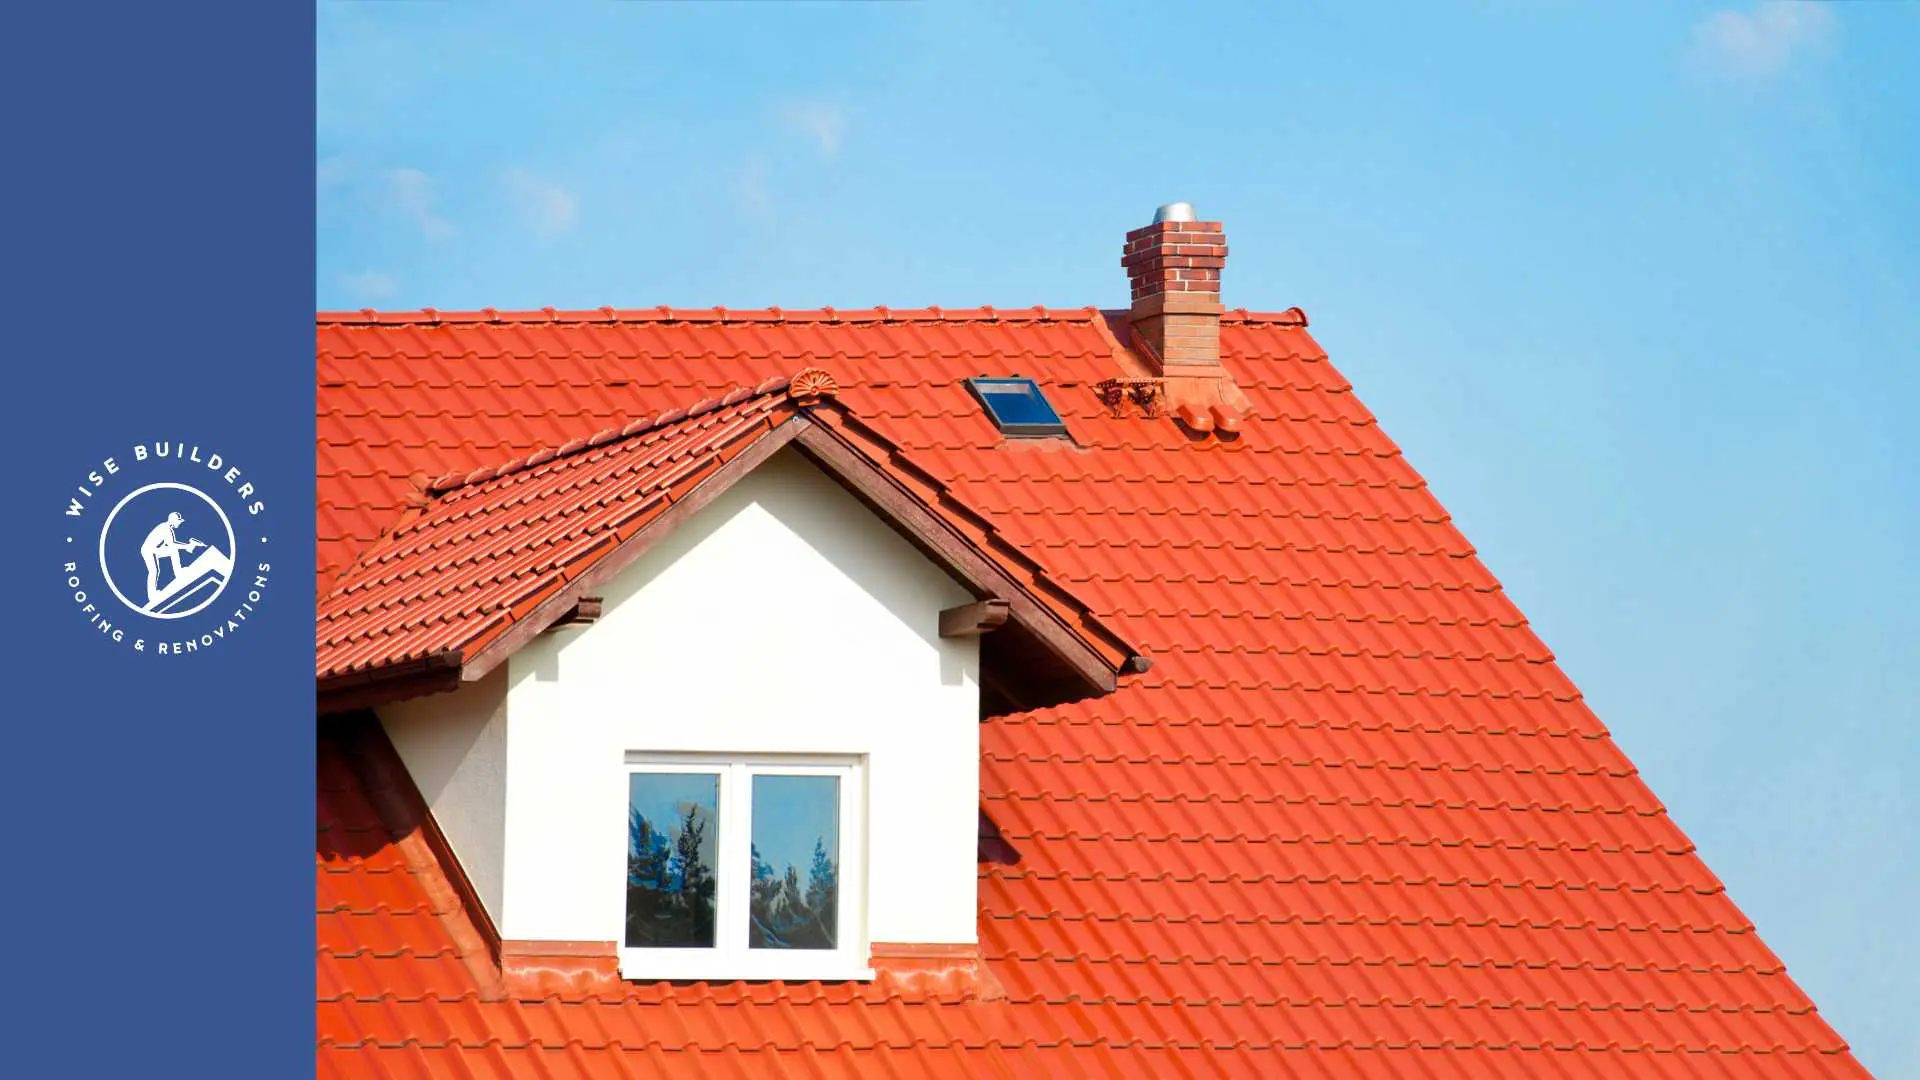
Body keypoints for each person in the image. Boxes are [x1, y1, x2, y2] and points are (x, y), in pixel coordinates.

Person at [140, 512, 204, 604]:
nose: (180, 523)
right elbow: (172, 544)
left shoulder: (167, 528)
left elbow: (171, 545)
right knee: (154, 571)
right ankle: (152, 596)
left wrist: (187, 546)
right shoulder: (165, 528)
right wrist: (187, 546)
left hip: (155, 549)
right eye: (178, 521)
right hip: (149, 550)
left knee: (173, 551)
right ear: (173, 520)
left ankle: (179, 572)